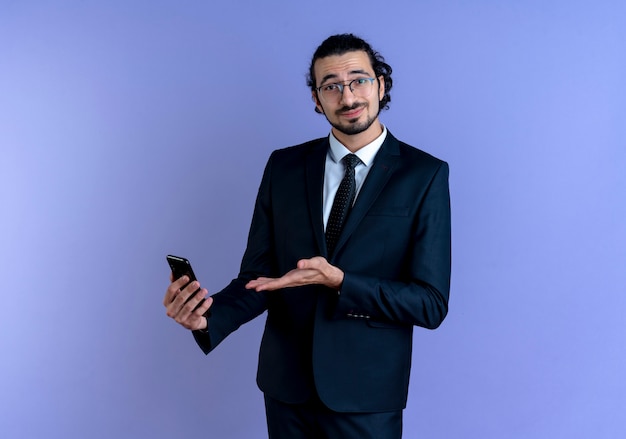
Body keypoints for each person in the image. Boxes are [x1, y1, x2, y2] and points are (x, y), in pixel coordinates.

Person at [163, 33, 451, 439]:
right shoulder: (284, 167)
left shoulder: (424, 175)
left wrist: (340, 281)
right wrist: (206, 317)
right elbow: (260, 276)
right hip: (286, 390)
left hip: (366, 395)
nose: (347, 96)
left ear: (381, 85)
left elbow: (431, 303)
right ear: (317, 99)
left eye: (359, 80)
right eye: (331, 86)